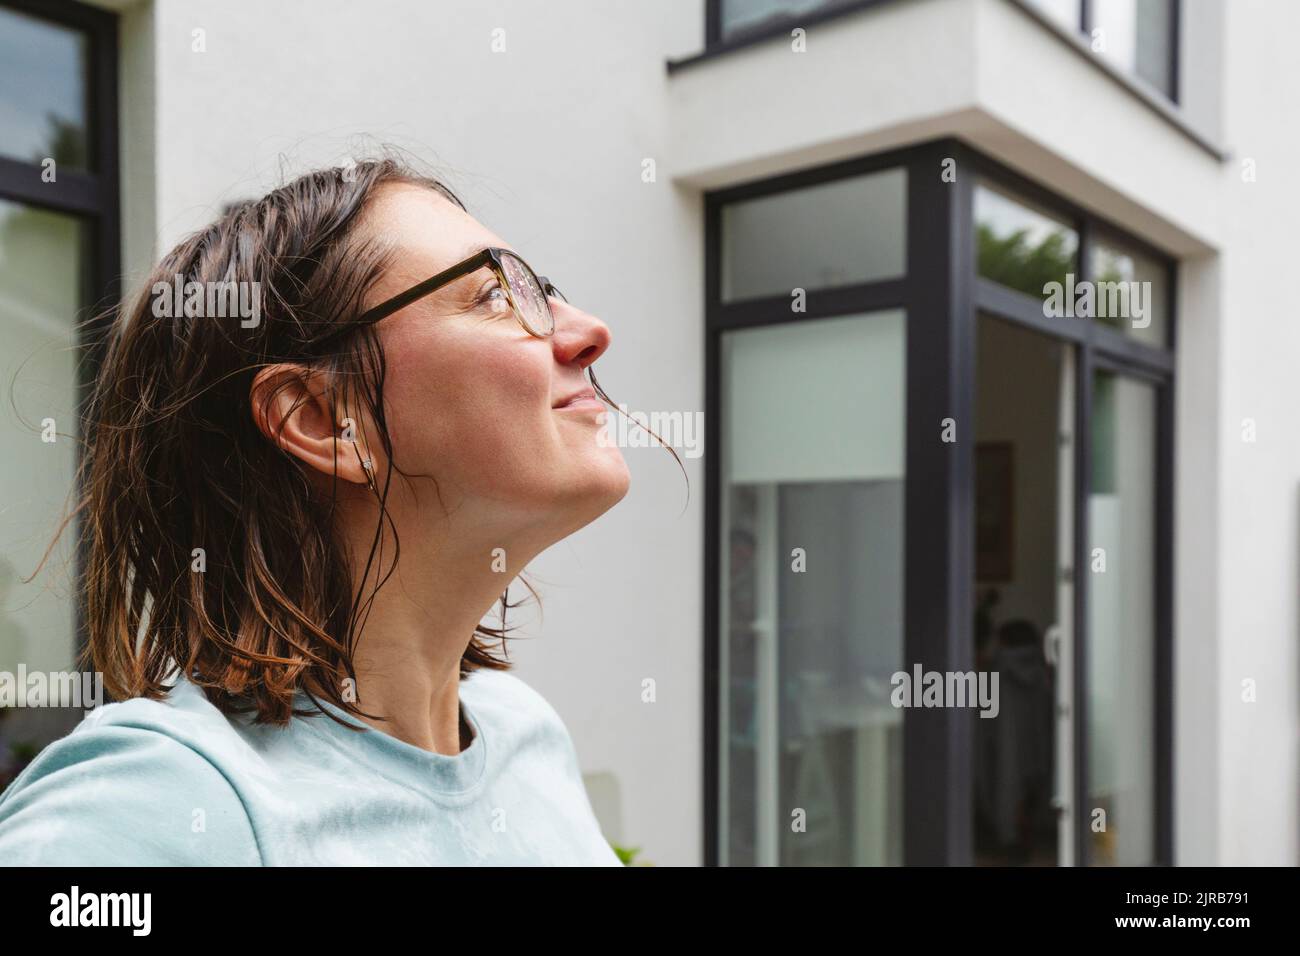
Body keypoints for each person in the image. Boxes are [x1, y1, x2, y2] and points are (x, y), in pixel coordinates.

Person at [0, 154, 666, 865]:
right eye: (494, 296)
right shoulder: (162, 804)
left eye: (544, 290)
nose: (588, 330)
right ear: (322, 418)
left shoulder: (522, 735)